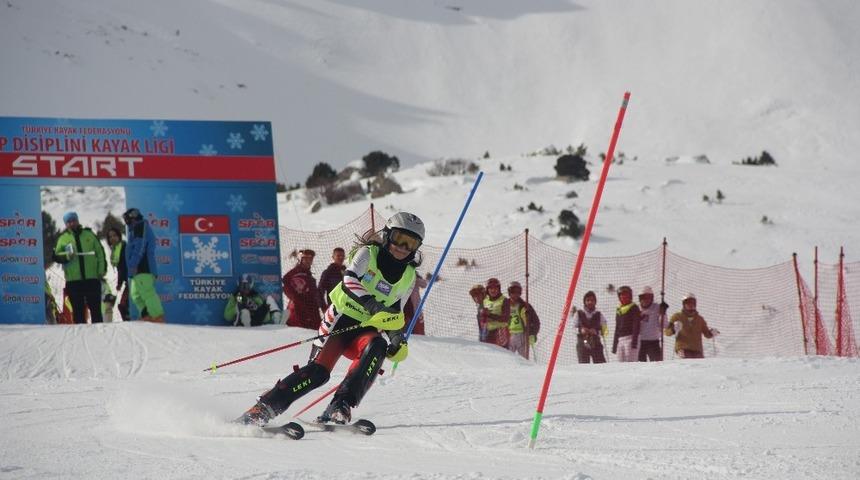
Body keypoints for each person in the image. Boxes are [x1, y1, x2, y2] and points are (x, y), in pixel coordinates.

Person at [237, 212, 424, 427]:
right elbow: (349, 280)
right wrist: (373, 305)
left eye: (410, 243)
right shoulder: (368, 253)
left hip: (366, 331)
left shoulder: (409, 276)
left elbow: (394, 313)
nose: (402, 247)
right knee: (318, 373)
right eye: (399, 238)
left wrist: (397, 337)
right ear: (387, 235)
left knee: (378, 346)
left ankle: (339, 406)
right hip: (340, 320)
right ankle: (262, 409)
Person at [52, 211, 107, 324]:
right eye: (69, 222)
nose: (72, 223)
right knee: (78, 311)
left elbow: (100, 252)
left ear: (77, 221)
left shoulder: (89, 235)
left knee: (95, 309)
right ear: (66, 224)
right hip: (73, 281)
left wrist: (101, 270)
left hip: (92, 279)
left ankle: (100, 335)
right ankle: (80, 335)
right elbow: (56, 256)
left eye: (73, 220)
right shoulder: (63, 238)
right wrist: (67, 256)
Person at [123, 208, 165, 322]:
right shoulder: (135, 229)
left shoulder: (140, 226)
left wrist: (133, 264)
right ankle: (147, 315)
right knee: (136, 294)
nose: (126, 222)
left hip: (143, 267)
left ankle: (157, 316)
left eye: (127, 219)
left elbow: (140, 246)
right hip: (137, 270)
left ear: (133, 217)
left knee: (147, 292)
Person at [664, 293, 719, 359]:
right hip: (682, 348)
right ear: (684, 305)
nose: (691, 305)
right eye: (688, 303)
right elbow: (667, 332)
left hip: (697, 349)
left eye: (693, 303)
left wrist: (711, 333)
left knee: (699, 366)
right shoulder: (677, 316)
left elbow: (706, 334)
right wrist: (673, 329)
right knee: (687, 363)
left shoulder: (699, 319)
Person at [282, 249, 322, 330]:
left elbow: (313, 295)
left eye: (310, 259)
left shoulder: (309, 276)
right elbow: (285, 282)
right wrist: (294, 297)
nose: (307, 261)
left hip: (310, 309)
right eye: (305, 258)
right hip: (297, 309)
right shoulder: (295, 272)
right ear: (301, 259)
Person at [503, 281, 541, 359]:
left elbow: (536, 321)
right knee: (508, 359)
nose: (515, 294)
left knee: (524, 359)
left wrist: (533, 334)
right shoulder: (504, 305)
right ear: (509, 292)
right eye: (513, 291)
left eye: (518, 292)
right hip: (509, 336)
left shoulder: (525, 305)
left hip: (522, 335)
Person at [637, 286, 669, 362]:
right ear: (640, 298)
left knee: (657, 364)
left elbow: (664, 325)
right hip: (640, 342)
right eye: (644, 298)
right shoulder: (636, 309)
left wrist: (663, 313)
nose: (646, 300)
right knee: (640, 365)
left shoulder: (657, 307)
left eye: (649, 297)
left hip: (653, 341)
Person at [575, 290, 608, 364]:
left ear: (595, 302)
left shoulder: (599, 314)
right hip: (582, 343)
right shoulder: (579, 313)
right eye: (588, 300)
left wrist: (597, 332)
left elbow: (605, 331)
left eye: (592, 300)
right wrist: (581, 330)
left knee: (601, 365)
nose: (590, 302)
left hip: (595, 343)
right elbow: (573, 328)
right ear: (584, 302)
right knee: (584, 366)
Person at [612, 285, 641, 362]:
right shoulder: (619, 309)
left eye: (626, 295)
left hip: (630, 338)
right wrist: (614, 345)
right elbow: (617, 327)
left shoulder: (634, 307)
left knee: (630, 362)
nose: (623, 297)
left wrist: (634, 342)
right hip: (620, 340)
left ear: (630, 296)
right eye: (621, 295)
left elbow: (636, 325)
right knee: (620, 363)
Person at [106, 227, 130, 321]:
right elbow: (121, 268)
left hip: (132, 280)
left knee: (123, 305)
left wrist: (121, 282)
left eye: (114, 235)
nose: (112, 238)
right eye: (110, 237)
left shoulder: (124, 247)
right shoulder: (115, 250)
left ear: (119, 236)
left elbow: (124, 266)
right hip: (127, 281)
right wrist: (119, 283)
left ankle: (131, 323)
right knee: (123, 306)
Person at [482, 278, 510, 348]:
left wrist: (490, 315)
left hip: (501, 332)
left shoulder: (504, 300)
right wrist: (484, 317)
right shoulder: (485, 300)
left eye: (495, 288)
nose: (493, 290)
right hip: (488, 332)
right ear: (487, 289)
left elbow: (505, 318)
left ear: (499, 289)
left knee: (501, 354)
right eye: (491, 288)